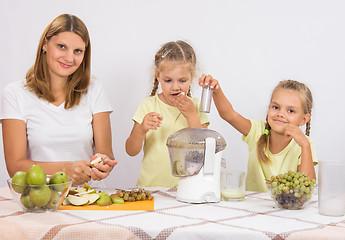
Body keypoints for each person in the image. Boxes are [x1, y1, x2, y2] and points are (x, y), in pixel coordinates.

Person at [0, 14, 117, 185]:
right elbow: (15, 166)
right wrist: (64, 169)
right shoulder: (14, 93)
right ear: (45, 44)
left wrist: (103, 164)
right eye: (62, 47)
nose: (69, 58)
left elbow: (105, 153)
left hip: (88, 196)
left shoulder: (94, 88)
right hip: (39, 198)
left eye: (78, 51)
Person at [198, 77, 317, 192]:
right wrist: (216, 90)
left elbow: (307, 187)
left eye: (290, 111)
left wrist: (305, 145)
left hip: (285, 209)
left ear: (303, 119)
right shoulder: (257, 131)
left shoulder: (305, 144)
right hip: (254, 206)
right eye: (276, 107)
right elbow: (229, 114)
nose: (281, 114)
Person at [125, 40, 209, 187]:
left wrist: (191, 115)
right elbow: (131, 151)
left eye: (182, 80)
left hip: (188, 188)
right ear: (158, 75)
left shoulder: (196, 106)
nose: (175, 87)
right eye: (168, 80)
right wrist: (141, 129)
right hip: (150, 188)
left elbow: (204, 149)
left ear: (192, 76)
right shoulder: (148, 105)